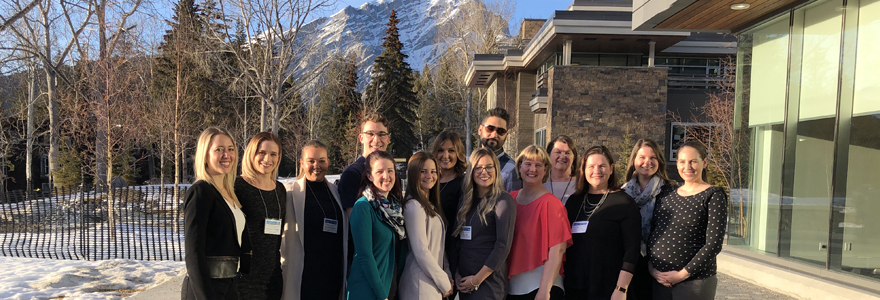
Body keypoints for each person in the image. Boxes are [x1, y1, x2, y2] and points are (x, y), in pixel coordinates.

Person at [648, 141, 728, 300]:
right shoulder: (666, 193)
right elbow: (654, 231)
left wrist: (681, 275)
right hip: (659, 280)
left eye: (693, 161)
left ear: (704, 162)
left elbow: (713, 245)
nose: (687, 167)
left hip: (694, 282)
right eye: (682, 161)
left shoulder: (713, 195)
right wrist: (651, 268)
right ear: (677, 164)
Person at [563, 146, 640, 300]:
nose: (596, 171)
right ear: (583, 170)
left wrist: (621, 289)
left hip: (609, 288)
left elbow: (632, 250)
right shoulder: (573, 202)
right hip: (575, 287)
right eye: (591, 166)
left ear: (611, 169)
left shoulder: (624, 203)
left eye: (602, 166)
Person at [182, 127, 244, 300]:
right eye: (219, 150)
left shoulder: (229, 193)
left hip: (229, 285)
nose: (227, 155)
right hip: (206, 289)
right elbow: (193, 254)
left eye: (230, 149)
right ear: (205, 155)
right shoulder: (200, 192)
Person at [280, 140, 347, 300]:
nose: (317, 166)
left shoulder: (337, 193)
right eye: (311, 161)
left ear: (328, 162)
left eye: (322, 161)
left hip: (332, 278)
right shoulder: (289, 193)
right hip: (303, 278)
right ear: (302, 163)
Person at [507, 145, 572, 300]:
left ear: (545, 169)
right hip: (513, 287)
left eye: (538, 165)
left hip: (541, 288)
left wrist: (544, 291)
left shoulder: (552, 204)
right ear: (519, 167)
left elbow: (558, 250)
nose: (532, 169)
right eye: (528, 163)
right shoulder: (510, 199)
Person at [451, 148, 516, 300]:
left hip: (488, 285)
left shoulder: (503, 201)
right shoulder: (465, 201)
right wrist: (457, 273)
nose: (484, 172)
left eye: (488, 167)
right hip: (465, 283)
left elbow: (503, 246)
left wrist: (477, 280)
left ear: (496, 169)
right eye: (478, 168)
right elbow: (457, 241)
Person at [346, 151, 406, 300]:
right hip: (368, 291)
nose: (386, 176)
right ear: (369, 176)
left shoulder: (394, 208)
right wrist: (381, 295)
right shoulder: (363, 207)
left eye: (390, 170)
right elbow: (364, 255)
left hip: (388, 286)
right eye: (380, 171)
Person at [621, 139, 676, 300]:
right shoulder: (622, 194)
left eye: (653, 157)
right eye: (642, 157)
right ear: (634, 161)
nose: (648, 162)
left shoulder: (670, 191)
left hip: (660, 266)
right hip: (630, 264)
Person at [235, 132, 287, 300]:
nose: (267, 159)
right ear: (252, 153)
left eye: (273, 154)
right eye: (262, 153)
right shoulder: (237, 187)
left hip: (273, 278)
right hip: (245, 278)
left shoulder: (280, 189)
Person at [399, 152, 453, 299]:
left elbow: (439, 247)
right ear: (413, 174)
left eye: (433, 171)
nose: (429, 176)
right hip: (419, 285)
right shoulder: (414, 206)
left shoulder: (429, 205)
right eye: (423, 171)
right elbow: (421, 251)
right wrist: (444, 283)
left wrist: (446, 274)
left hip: (432, 282)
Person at [429, 131, 466, 271]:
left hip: (450, 252)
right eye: (441, 151)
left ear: (458, 153)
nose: (445, 156)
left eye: (451, 151)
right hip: (426, 248)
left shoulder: (463, 184)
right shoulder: (429, 180)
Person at [477, 108, 521, 192]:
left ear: (506, 136)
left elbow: (512, 203)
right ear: (480, 130)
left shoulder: (511, 169)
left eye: (501, 131)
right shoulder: (467, 163)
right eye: (490, 128)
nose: (494, 134)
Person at [544, 135, 579, 205]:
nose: (562, 157)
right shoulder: (540, 183)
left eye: (567, 153)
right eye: (558, 152)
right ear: (548, 155)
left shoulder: (580, 183)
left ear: (574, 157)